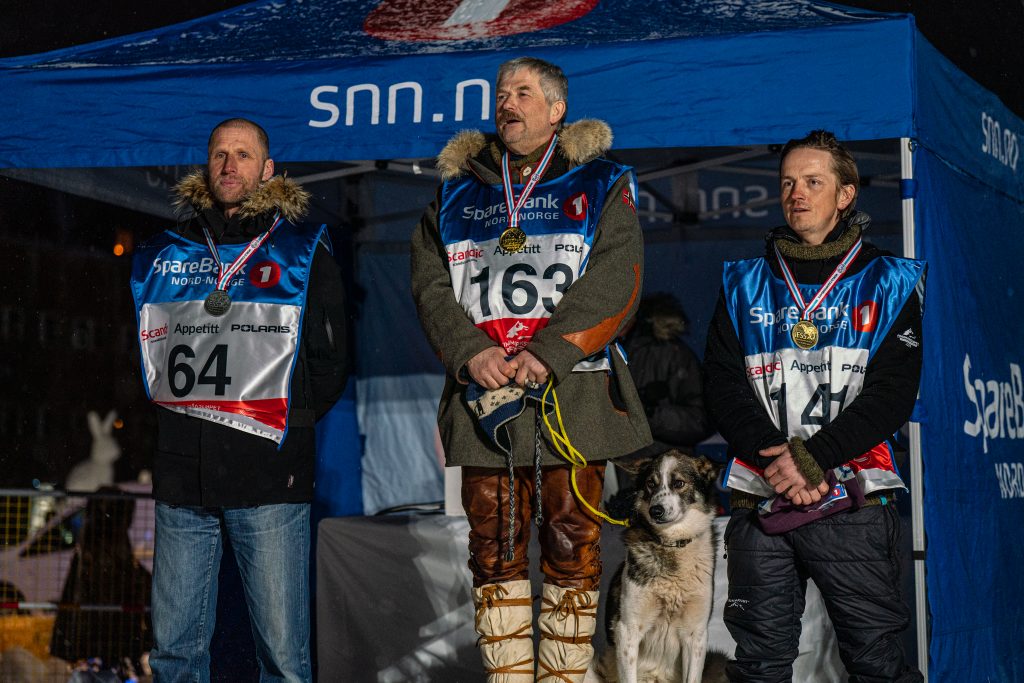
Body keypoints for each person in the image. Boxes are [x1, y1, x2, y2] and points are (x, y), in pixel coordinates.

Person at [410, 57, 651, 682]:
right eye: (500, 93)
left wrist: (548, 351)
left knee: (573, 545)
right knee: (493, 551)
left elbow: (618, 278)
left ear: (557, 109)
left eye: (523, 92)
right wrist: (471, 352)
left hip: (573, 394)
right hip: (485, 397)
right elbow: (430, 284)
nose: (507, 103)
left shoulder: (600, 182)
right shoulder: (457, 190)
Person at [129, 118, 348, 683]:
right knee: (175, 654)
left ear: (267, 169)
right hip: (184, 478)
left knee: (281, 656)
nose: (230, 165)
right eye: (220, 154)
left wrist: (274, 420)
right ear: (207, 166)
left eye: (243, 154)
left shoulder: (302, 250)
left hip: (269, 473)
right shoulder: (163, 252)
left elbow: (330, 366)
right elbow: (142, 361)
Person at [703, 130, 925, 682]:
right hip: (762, 495)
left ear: (845, 194)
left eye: (813, 182)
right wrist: (781, 461)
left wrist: (813, 457)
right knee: (759, 665)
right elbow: (723, 386)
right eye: (787, 183)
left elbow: (892, 395)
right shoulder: (744, 283)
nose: (796, 193)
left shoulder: (890, 281)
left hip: (852, 495)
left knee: (876, 663)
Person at [623, 292, 712, 454]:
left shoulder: (675, 354)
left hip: (664, 466)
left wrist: (648, 414)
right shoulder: (607, 352)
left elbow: (701, 421)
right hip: (614, 468)